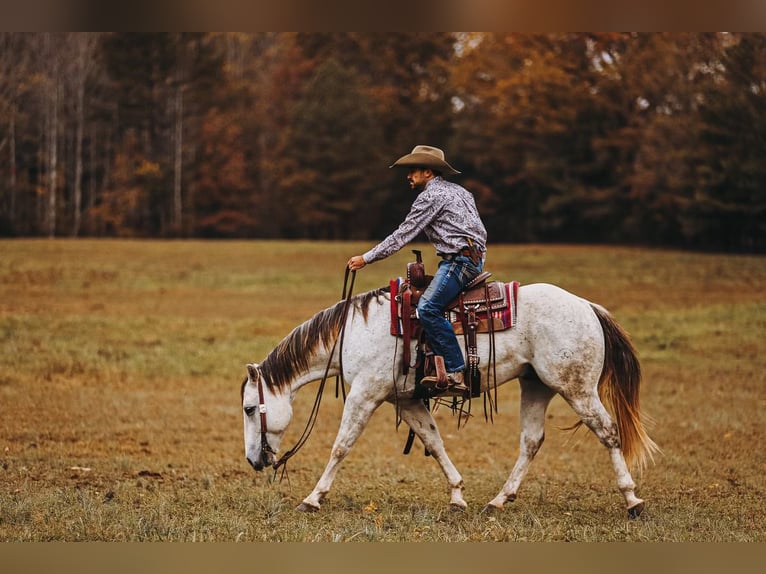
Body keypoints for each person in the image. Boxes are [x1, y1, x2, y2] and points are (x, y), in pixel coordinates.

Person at [347, 145, 487, 394]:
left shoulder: (431, 197)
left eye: (413, 170)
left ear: (428, 173)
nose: (408, 176)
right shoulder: (461, 191)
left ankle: (456, 371)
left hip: (459, 262)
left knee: (427, 308)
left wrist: (366, 258)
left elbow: (402, 235)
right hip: (473, 258)